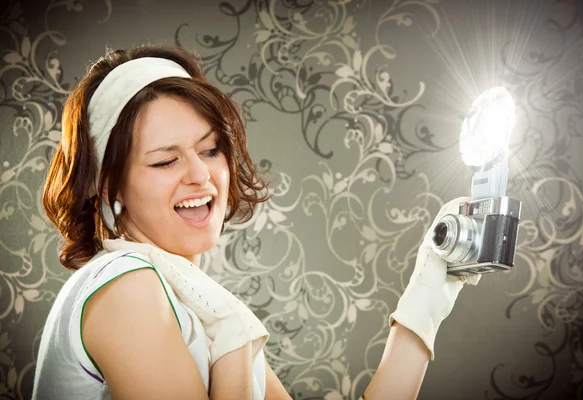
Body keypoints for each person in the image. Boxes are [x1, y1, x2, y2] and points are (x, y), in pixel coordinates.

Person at [32, 44, 478, 400]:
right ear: (110, 188)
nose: (200, 175)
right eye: (166, 161)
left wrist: (427, 297)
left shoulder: (200, 304)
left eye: (209, 150)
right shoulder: (125, 288)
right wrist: (231, 346)